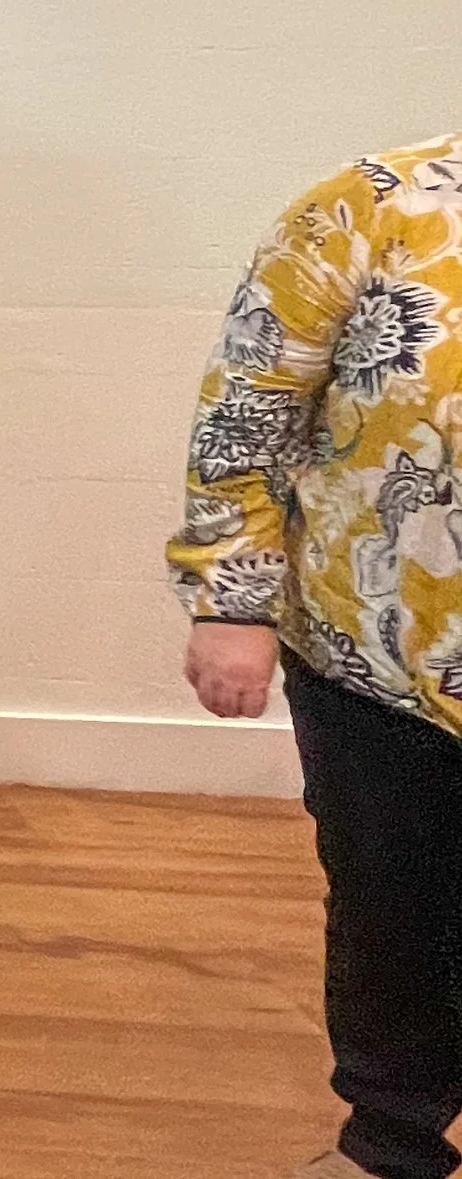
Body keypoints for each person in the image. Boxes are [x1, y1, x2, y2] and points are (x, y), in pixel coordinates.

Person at [169, 138, 462, 1179]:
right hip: (380, 660)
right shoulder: (372, 206)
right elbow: (246, 419)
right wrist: (229, 603)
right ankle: (390, 1141)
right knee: (397, 909)